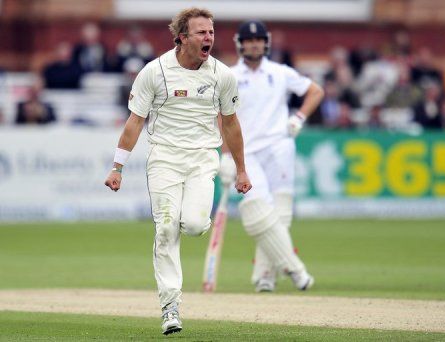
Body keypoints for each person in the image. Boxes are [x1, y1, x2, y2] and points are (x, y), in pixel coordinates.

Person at [104, 8, 251, 335]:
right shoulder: (155, 72)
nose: (208, 38)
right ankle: (170, 306)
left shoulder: (222, 75)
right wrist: (117, 166)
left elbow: (231, 124)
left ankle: (192, 226)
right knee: (166, 228)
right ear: (182, 37)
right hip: (164, 160)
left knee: (196, 225)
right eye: (201, 33)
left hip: (202, 159)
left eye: (211, 32)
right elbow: (134, 122)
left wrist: (241, 169)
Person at [219, 20, 324, 293]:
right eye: (249, 40)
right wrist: (226, 155)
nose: (254, 44)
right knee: (256, 212)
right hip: (247, 153)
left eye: (258, 40)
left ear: (266, 42)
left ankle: (265, 276)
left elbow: (316, 91)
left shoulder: (280, 72)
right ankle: (296, 270)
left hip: (279, 147)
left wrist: (299, 118)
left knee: (280, 215)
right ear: (240, 44)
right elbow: (222, 117)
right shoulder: (228, 75)